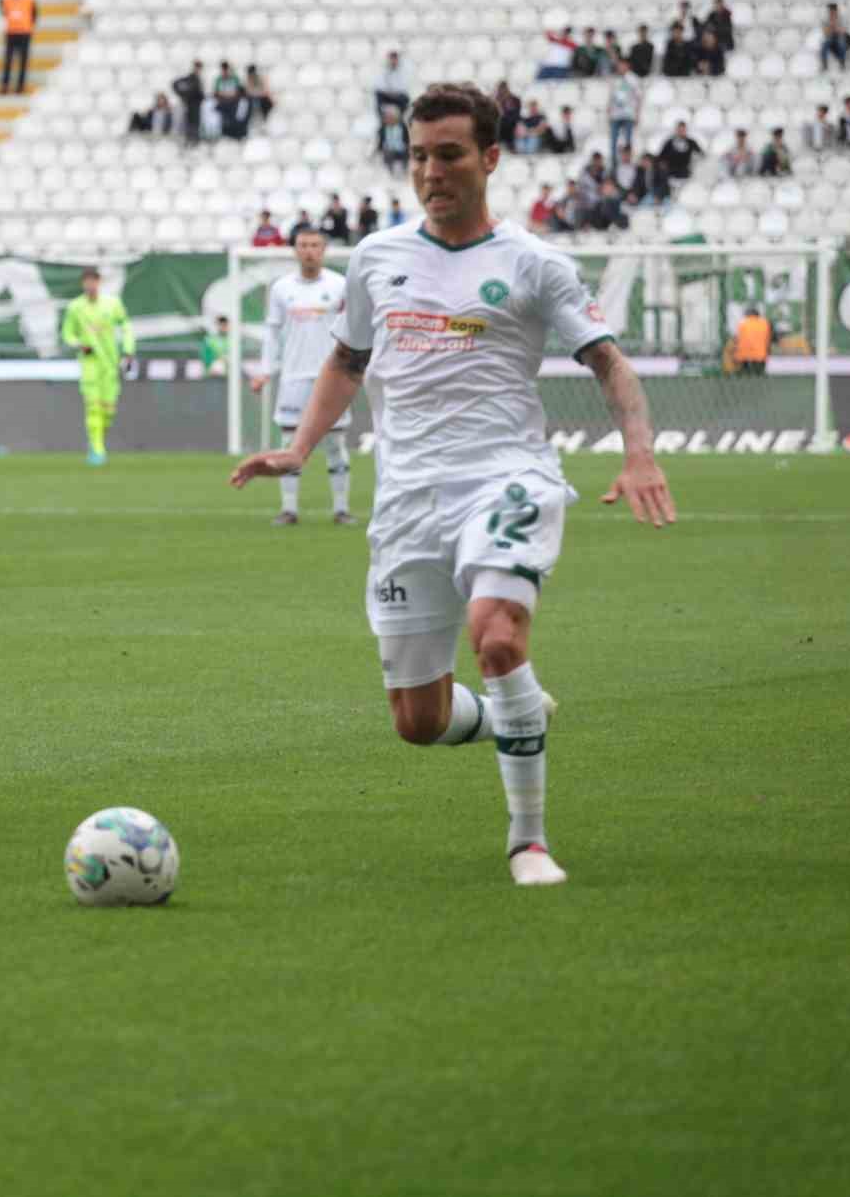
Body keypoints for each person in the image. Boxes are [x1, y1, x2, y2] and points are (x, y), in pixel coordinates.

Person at [230, 81, 675, 887]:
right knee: (418, 722)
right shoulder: (376, 259)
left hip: (505, 478)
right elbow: (345, 359)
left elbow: (607, 359)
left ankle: (528, 840)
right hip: (406, 499)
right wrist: (298, 449)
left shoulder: (535, 265)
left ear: (491, 158)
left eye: (450, 154)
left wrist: (638, 451)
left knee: (498, 635)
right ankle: (517, 711)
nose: (432, 172)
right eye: (419, 156)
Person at [250, 229, 356, 528]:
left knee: (335, 443)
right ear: (295, 250)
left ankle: (341, 509)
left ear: (324, 250)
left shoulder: (340, 286)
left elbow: (353, 330)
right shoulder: (282, 289)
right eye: (303, 245)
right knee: (288, 442)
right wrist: (266, 371)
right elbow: (272, 332)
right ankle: (289, 509)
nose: (309, 250)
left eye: (315, 245)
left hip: (331, 377)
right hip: (294, 377)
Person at [62, 267, 135, 467]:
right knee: (93, 408)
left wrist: (128, 350)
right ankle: (97, 449)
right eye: (87, 281)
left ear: (99, 282)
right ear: (82, 283)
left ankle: (97, 440)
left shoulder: (112, 304)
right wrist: (79, 344)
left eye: (93, 281)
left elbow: (126, 326)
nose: (90, 285)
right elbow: (67, 334)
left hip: (110, 364)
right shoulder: (75, 307)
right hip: (90, 365)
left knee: (108, 411)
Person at [607, 60, 641, 163]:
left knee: (628, 141)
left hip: (628, 114)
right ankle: (614, 163)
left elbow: (638, 97)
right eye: (619, 66)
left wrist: (637, 114)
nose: (620, 68)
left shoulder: (633, 79)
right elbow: (611, 97)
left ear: (627, 66)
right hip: (615, 114)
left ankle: (628, 162)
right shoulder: (615, 79)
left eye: (622, 65)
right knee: (613, 141)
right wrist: (608, 110)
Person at [734, 307, 772, 377]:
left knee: (745, 372)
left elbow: (738, 338)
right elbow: (768, 338)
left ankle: (745, 374)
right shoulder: (764, 323)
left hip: (744, 354)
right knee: (759, 372)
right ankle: (759, 374)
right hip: (760, 354)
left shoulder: (743, 323)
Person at [375, 51, 411, 115]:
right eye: (391, 59)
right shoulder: (383, 70)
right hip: (386, 95)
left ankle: (402, 120)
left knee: (405, 98)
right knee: (378, 95)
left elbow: (404, 86)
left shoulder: (404, 71)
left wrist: (395, 93)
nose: (393, 61)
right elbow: (379, 85)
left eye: (395, 59)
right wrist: (388, 92)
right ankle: (382, 122)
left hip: (398, 96)